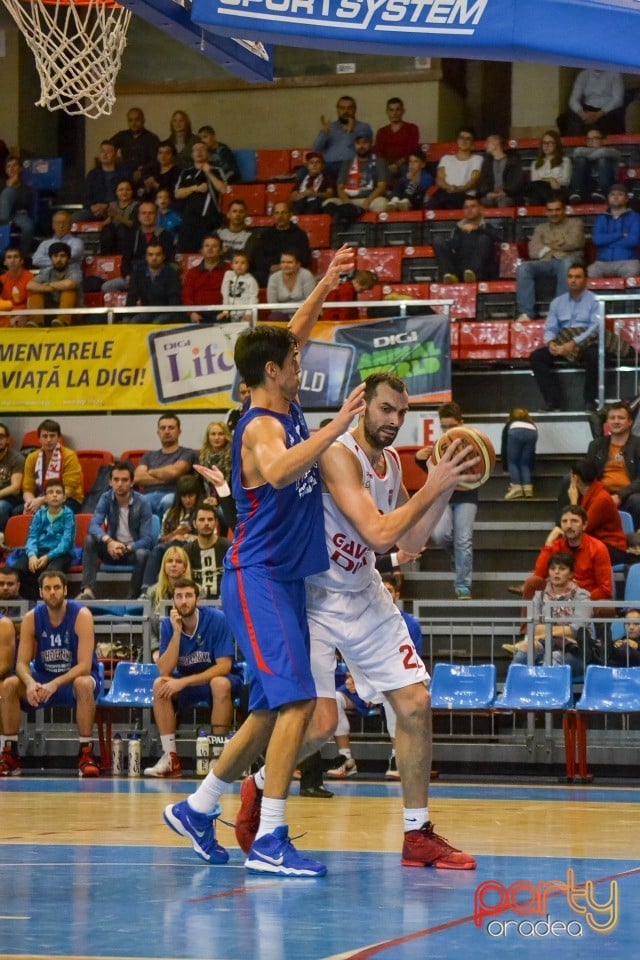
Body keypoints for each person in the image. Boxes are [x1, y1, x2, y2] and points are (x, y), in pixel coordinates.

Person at [163, 245, 367, 878]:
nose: (301, 361)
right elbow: (279, 472)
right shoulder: (260, 427)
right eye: (294, 362)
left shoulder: (281, 396)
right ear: (274, 373)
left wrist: (328, 283)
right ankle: (272, 839)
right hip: (258, 579)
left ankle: (198, 807)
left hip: (283, 578)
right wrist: (340, 426)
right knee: (299, 703)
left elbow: (290, 333)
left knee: (269, 710)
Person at [235, 371, 479, 870]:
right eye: (387, 410)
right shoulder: (337, 452)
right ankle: (259, 785)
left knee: (415, 702)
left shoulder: (389, 463)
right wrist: (430, 482)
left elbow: (409, 545)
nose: (394, 421)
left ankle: (417, 834)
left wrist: (446, 487)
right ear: (364, 405)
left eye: (403, 413)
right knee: (322, 723)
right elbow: (378, 532)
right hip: (312, 597)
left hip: (363, 592)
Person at [0, 571, 102, 777]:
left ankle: (86, 753)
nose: (52, 592)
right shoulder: (32, 618)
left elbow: (83, 666)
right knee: (9, 685)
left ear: (65, 590)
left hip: (74, 679)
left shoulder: (82, 615)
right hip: (43, 678)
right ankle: (10, 753)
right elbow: (21, 663)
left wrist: (55, 684)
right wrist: (29, 683)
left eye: (57, 588)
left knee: (83, 683)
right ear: (41, 592)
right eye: (47, 588)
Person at [144, 577, 240, 778]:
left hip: (216, 680)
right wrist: (177, 633)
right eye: (179, 596)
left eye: (188, 595)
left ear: (197, 599)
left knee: (220, 683)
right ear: (173, 601)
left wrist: (184, 682)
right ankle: (171, 757)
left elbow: (224, 666)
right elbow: (164, 671)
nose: (184, 601)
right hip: (187, 682)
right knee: (159, 684)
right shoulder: (168, 625)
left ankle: (217, 754)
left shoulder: (217, 619)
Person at [417, 402, 478, 600]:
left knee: (463, 540)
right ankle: (457, 558)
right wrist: (419, 459)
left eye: (451, 426)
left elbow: (480, 472)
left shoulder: (475, 444)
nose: (447, 430)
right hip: (443, 496)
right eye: (443, 426)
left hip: (466, 496)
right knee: (440, 535)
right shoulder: (440, 445)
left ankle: (463, 584)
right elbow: (433, 473)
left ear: (461, 423)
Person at [504, 553, 594, 678]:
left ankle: (546, 695)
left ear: (571, 573)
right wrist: (562, 630)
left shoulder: (582, 597)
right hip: (544, 645)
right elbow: (534, 628)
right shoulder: (539, 597)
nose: (556, 572)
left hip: (576, 650)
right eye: (553, 569)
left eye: (562, 569)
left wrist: (545, 630)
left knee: (552, 658)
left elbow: (576, 630)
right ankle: (510, 692)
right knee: (523, 652)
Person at [77, 460, 154, 602]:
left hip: (132, 551)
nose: (120, 484)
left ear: (132, 482)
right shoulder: (106, 498)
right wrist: (110, 542)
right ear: (110, 482)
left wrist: (127, 548)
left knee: (144, 554)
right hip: (111, 550)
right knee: (90, 540)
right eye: (116, 480)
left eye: (124, 480)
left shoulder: (142, 502)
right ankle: (88, 591)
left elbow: (147, 539)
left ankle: (132, 598)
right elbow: (93, 525)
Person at [529, 263, 601, 412]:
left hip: (586, 342)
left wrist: (575, 342)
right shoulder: (557, 302)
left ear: (586, 280)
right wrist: (551, 343)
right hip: (563, 343)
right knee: (537, 357)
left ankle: (590, 401)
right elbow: (551, 328)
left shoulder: (595, 300)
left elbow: (595, 328)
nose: (573, 280)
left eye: (577, 277)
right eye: (570, 277)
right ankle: (553, 402)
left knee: (595, 354)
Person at [523, 504, 613, 605]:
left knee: (605, 608)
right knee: (533, 582)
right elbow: (539, 575)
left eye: (574, 521)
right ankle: (527, 621)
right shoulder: (557, 544)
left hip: (585, 599)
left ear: (584, 525)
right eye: (564, 521)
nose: (569, 526)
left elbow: (605, 589)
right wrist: (548, 543)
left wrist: (577, 599)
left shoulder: (598, 548)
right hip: (557, 596)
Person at [515, 195, 585, 321]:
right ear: (546, 212)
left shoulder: (576, 223)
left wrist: (547, 246)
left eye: (558, 210)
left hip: (570, 260)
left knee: (566, 264)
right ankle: (526, 313)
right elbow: (533, 252)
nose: (554, 213)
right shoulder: (540, 228)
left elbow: (574, 243)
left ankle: (561, 312)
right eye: (551, 210)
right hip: (547, 262)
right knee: (524, 267)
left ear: (564, 210)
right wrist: (558, 245)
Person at [9, 479, 75, 601]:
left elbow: (66, 543)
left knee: (50, 574)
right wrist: (32, 555)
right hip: (39, 551)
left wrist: (48, 557)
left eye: (58, 492)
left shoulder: (68, 515)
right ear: (45, 497)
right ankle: (31, 603)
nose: (54, 495)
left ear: (64, 497)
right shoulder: (39, 514)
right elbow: (32, 537)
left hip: (60, 554)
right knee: (16, 571)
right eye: (50, 492)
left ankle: (48, 602)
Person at [561, 458, 631, 566]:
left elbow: (579, 529)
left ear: (575, 478)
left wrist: (573, 502)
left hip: (612, 548)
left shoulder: (601, 498)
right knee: (559, 548)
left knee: (568, 552)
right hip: (596, 543)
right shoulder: (585, 493)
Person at [139, 474, 201, 594]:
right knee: (157, 550)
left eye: (191, 496)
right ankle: (146, 590)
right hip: (171, 547)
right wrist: (175, 533)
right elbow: (161, 539)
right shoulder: (170, 513)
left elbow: (211, 538)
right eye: (184, 496)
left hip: (194, 547)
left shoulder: (202, 513)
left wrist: (187, 536)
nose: (188, 500)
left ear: (197, 495)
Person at [583, 401, 640, 528]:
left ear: (630, 422)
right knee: (568, 482)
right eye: (612, 418)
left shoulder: (638, 445)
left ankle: (636, 542)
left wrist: (620, 495)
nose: (616, 421)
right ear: (607, 422)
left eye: (621, 418)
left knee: (637, 500)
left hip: (628, 496)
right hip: (601, 494)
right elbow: (587, 473)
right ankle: (561, 529)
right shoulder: (596, 445)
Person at [133, 414, 197, 518]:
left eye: (171, 428)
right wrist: (168, 477)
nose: (167, 431)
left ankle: (163, 534)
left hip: (173, 495)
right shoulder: (149, 456)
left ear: (179, 432)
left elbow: (175, 472)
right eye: (163, 428)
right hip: (148, 495)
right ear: (158, 433)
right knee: (137, 502)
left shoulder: (187, 453)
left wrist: (150, 472)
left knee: (167, 501)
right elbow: (136, 478)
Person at [174, 141, 229, 253]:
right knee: (187, 252)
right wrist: (194, 188)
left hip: (210, 220)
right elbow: (177, 194)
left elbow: (224, 189)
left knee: (208, 252)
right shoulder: (185, 172)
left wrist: (209, 173)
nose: (199, 152)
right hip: (189, 220)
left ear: (208, 154)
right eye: (196, 150)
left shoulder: (217, 170)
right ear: (192, 154)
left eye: (202, 149)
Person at [22, 419, 83, 516]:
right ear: (39, 439)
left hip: (68, 499)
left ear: (59, 438)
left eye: (52, 435)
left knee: (47, 513)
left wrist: (42, 501)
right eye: (45, 436)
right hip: (40, 498)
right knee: (18, 512)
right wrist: (31, 503)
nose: (49, 439)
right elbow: (27, 489)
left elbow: (69, 490)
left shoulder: (69, 456)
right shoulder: (32, 458)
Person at [324, 134, 390, 223]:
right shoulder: (347, 163)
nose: (361, 146)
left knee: (382, 204)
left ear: (371, 144)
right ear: (354, 145)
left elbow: (381, 186)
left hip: (369, 200)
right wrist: (347, 202)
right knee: (327, 203)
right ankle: (355, 211)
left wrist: (367, 201)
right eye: (358, 143)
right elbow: (340, 187)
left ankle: (348, 215)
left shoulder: (379, 161)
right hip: (349, 200)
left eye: (365, 143)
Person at [245, 201, 311, 288]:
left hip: (293, 272)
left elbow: (305, 258)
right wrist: (271, 267)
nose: (280, 216)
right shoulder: (265, 235)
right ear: (273, 215)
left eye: (283, 212)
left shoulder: (300, 235)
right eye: (277, 213)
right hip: (269, 273)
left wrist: (284, 267)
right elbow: (258, 258)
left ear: (290, 215)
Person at [434, 196, 498, 283]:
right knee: (438, 241)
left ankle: (473, 274)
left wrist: (477, 229)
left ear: (480, 209)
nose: (469, 210)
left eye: (473, 206)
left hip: (481, 272)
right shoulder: (457, 229)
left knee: (484, 239)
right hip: (460, 269)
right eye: (466, 207)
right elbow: (453, 246)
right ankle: (450, 275)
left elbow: (496, 240)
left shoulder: (488, 227)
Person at [312, 95, 374, 181]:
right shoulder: (330, 127)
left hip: (352, 166)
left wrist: (351, 133)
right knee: (303, 171)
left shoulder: (363, 127)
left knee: (342, 169)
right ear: (337, 110)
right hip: (329, 166)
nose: (346, 111)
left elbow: (363, 150)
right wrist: (324, 133)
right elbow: (316, 149)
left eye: (349, 108)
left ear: (355, 110)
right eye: (342, 108)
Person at [146, 545, 193, 657]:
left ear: (185, 567)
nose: (173, 564)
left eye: (178, 561)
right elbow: (150, 628)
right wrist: (155, 650)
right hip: (161, 651)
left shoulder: (197, 591)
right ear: (164, 566)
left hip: (191, 650)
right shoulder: (152, 593)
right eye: (170, 561)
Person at [587, 184, 640, 279]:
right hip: (602, 263)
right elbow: (597, 240)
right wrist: (621, 235)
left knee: (633, 271)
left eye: (620, 194)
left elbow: (633, 240)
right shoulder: (601, 218)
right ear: (608, 198)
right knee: (590, 272)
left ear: (627, 199)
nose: (615, 197)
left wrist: (607, 241)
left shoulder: (636, 217)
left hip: (627, 262)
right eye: (612, 194)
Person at [26, 242, 83, 327]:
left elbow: (69, 284)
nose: (59, 260)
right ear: (51, 258)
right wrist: (52, 288)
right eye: (55, 256)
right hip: (51, 312)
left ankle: (63, 321)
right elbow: (30, 285)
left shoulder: (74, 271)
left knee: (68, 291)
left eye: (62, 256)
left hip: (74, 313)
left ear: (68, 258)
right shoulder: (47, 272)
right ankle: (37, 322)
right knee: (36, 293)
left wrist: (47, 285)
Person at [124, 241, 182, 324]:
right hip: (147, 312)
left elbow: (174, 299)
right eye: (150, 255)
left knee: (157, 322)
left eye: (158, 254)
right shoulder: (138, 273)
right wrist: (126, 316)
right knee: (132, 322)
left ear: (163, 257)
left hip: (167, 312)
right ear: (146, 257)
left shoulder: (171, 273)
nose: (154, 258)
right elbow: (132, 297)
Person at [184, 501, 232, 600]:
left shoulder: (228, 547)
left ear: (216, 523)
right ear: (194, 524)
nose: (206, 523)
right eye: (201, 520)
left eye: (210, 519)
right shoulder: (187, 550)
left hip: (225, 603)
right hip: (197, 605)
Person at [426, 128, 482, 210]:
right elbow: (440, 179)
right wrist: (450, 188)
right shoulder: (446, 158)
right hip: (446, 193)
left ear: (472, 144)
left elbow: (473, 181)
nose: (464, 141)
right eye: (461, 138)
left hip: (465, 195)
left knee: (452, 204)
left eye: (468, 139)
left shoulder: (477, 159)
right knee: (432, 203)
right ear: (457, 141)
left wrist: (458, 189)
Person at [562, 69, 625, 137]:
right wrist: (583, 115)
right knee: (567, 118)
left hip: (607, 109)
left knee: (614, 118)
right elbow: (573, 100)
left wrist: (597, 115)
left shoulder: (615, 74)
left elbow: (618, 100)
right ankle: (577, 146)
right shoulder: (583, 75)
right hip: (588, 109)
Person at [182, 234, 228, 323]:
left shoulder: (229, 270)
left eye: (214, 246)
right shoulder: (192, 272)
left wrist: (227, 311)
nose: (210, 249)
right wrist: (192, 313)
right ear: (202, 250)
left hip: (223, 313)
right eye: (207, 246)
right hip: (198, 313)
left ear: (221, 251)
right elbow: (187, 295)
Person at [374, 97, 420, 184]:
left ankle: (400, 195)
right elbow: (379, 152)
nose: (394, 113)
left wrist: (397, 164)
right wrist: (389, 166)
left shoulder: (412, 128)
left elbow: (412, 150)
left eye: (397, 110)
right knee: (378, 170)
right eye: (391, 110)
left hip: (405, 165)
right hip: (386, 166)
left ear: (403, 111)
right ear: (387, 112)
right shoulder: (382, 131)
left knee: (406, 170)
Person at [75, 140, 124, 222]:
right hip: (94, 210)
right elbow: (85, 195)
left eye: (109, 152)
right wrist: (92, 207)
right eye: (102, 151)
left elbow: (127, 195)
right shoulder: (93, 174)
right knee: (74, 218)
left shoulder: (123, 174)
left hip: (116, 209)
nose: (105, 154)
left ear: (115, 155)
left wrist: (107, 206)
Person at [110, 107, 160, 183]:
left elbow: (156, 160)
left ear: (143, 120)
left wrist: (142, 171)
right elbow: (107, 147)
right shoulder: (122, 135)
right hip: (124, 175)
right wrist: (115, 157)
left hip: (144, 176)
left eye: (137, 120)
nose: (134, 123)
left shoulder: (152, 138)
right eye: (130, 120)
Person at [569, 130, 621, 204]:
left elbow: (604, 152)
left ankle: (601, 192)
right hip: (588, 186)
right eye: (589, 139)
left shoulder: (611, 152)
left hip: (608, 186)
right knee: (581, 160)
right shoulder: (582, 154)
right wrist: (592, 154)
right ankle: (577, 192)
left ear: (603, 141)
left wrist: (590, 155)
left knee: (603, 159)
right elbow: (577, 152)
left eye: (595, 138)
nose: (591, 141)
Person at [0, 156, 35, 256]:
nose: (11, 169)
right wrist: (9, 186)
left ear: (20, 168)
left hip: (17, 215)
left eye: (14, 166)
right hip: (1, 213)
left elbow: (24, 204)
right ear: (6, 170)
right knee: (8, 192)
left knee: (28, 227)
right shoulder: (1, 184)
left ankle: (21, 255)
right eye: (8, 166)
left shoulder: (26, 188)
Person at [477, 134, 523, 208]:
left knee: (503, 202)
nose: (485, 145)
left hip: (509, 195)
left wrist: (506, 192)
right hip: (491, 195)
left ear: (496, 143)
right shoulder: (487, 162)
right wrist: (487, 193)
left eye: (488, 142)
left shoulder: (513, 160)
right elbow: (482, 181)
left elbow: (517, 181)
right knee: (483, 202)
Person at [525, 131, 571, 206]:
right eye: (544, 143)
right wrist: (551, 180)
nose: (546, 146)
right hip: (541, 191)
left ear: (556, 144)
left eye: (550, 143)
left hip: (559, 191)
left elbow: (565, 182)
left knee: (536, 191)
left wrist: (545, 180)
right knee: (535, 188)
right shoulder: (535, 163)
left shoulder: (565, 160)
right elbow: (535, 182)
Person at [501, 407, 538, 500]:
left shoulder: (510, 424)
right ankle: (527, 487)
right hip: (532, 432)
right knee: (524, 463)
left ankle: (516, 487)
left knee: (512, 462)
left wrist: (505, 466)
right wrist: (532, 466)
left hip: (515, 431)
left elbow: (504, 445)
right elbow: (532, 452)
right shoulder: (531, 424)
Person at [218, 251, 259, 321]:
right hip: (230, 313)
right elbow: (225, 293)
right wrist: (225, 310)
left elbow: (253, 298)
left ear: (247, 266)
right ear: (231, 265)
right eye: (236, 262)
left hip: (244, 313)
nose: (239, 265)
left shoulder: (251, 280)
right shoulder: (228, 275)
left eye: (243, 263)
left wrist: (249, 313)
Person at [0, 246, 34, 325]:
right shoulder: (1, 279)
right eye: (9, 257)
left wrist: (24, 316)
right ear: (5, 262)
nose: (12, 260)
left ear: (21, 261)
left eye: (15, 257)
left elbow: (30, 305)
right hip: (6, 316)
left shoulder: (29, 277)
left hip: (24, 316)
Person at [0, 422, 24, 531]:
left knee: (0, 507)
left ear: (7, 440)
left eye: (1, 437)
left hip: (10, 498)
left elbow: (15, 488)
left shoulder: (16, 458)